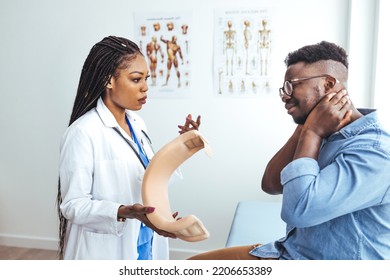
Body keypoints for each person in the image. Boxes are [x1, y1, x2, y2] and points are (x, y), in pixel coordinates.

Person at [188, 41, 390, 260]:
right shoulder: (324, 130)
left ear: (329, 83)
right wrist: (306, 128)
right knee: (191, 265)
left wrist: (312, 131)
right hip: (292, 252)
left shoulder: (375, 152)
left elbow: (298, 212)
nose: (284, 95)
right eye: (283, 88)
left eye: (292, 85)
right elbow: (271, 184)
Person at [56, 36, 201, 260]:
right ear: (108, 80)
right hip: (106, 249)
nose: (145, 87)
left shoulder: (137, 124)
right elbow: (73, 205)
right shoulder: (82, 132)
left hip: (145, 239)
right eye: (136, 79)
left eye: (147, 79)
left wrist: (181, 145)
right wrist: (123, 211)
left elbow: (150, 177)